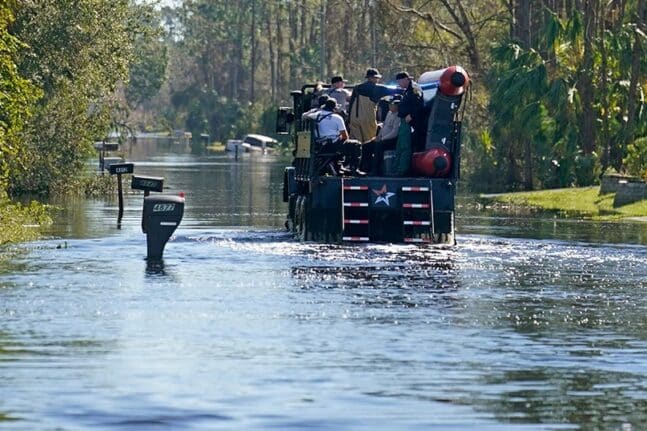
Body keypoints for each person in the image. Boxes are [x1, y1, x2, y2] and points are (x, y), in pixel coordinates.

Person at [302, 98, 363, 175]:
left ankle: (339, 166)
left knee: (340, 143)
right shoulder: (337, 118)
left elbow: (303, 116)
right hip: (333, 146)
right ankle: (353, 168)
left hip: (319, 146)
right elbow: (345, 136)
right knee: (355, 144)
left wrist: (313, 110)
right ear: (334, 108)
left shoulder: (315, 115)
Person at [347, 68, 393, 143]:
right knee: (369, 141)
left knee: (356, 142)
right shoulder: (377, 88)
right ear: (373, 78)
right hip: (367, 118)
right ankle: (367, 154)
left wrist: (349, 120)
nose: (377, 80)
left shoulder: (357, 87)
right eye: (376, 78)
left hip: (354, 118)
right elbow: (393, 91)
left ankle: (357, 154)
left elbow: (351, 103)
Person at [393, 71, 424, 176]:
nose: (399, 84)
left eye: (400, 82)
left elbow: (419, 106)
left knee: (405, 147)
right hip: (403, 121)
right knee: (400, 146)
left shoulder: (414, 90)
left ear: (406, 79)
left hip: (409, 122)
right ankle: (396, 168)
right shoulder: (407, 90)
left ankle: (402, 170)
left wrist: (411, 115)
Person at [365, 96, 401, 175]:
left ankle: (375, 170)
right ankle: (365, 168)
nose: (390, 106)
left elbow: (395, 132)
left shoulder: (399, 116)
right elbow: (384, 126)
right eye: (389, 104)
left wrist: (383, 139)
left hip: (392, 140)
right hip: (383, 138)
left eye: (392, 104)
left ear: (397, 105)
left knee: (379, 146)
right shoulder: (389, 113)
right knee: (367, 145)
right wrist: (378, 136)